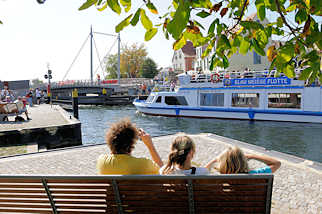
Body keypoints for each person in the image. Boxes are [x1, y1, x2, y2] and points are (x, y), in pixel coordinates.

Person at [97, 118, 163, 175]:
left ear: (110, 140)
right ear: (132, 143)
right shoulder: (144, 164)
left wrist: (113, 146)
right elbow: (163, 171)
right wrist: (150, 146)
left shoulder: (101, 161)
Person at [205, 146, 281, 174]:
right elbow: (277, 163)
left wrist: (215, 160)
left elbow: (204, 170)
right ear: (243, 161)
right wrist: (252, 156)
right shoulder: (255, 175)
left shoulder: (218, 177)